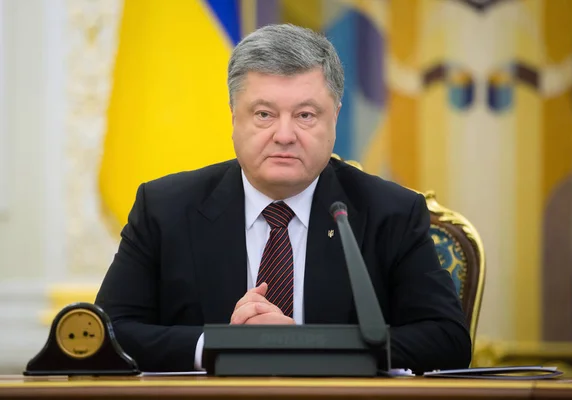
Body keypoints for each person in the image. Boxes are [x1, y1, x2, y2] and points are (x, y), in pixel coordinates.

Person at [95, 23, 471, 374]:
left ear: (335, 118)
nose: (285, 135)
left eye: (305, 115)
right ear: (233, 117)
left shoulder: (390, 212)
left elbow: (446, 340)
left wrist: (303, 345)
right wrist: (217, 346)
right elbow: (104, 335)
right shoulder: (165, 208)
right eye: (264, 114)